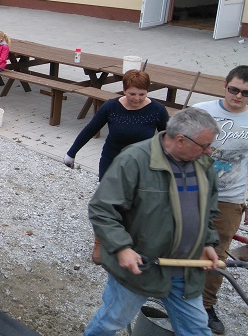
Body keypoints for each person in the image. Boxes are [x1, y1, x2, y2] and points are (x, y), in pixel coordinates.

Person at [83, 107, 220, 336]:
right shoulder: (134, 159)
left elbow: (208, 211)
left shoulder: (203, 165)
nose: (209, 151)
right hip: (141, 269)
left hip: (185, 271)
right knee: (109, 323)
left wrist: (207, 242)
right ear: (180, 140)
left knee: (196, 330)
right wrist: (122, 248)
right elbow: (103, 209)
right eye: (204, 145)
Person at [66, 70, 170, 264]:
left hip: (142, 165)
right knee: (107, 205)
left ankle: (130, 243)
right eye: (132, 94)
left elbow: (168, 138)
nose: (137, 99)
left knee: (137, 205)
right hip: (112, 161)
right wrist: (71, 153)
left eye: (142, 94)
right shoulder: (111, 107)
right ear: (123, 90)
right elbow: (90, 129)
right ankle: (100, 241)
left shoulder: (157, 109)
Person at [193, 64, 248, 334]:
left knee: (216, 255)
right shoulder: (201, 111)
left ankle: (206, 305)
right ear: (225, 85)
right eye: (234, 89)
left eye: (246, 93)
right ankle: (169, 292)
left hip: (230, 197)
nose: (239, 96)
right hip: (191, 191)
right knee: (180, 243)